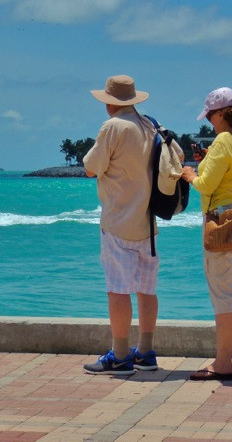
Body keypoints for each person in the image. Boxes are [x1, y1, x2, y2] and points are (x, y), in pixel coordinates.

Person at [82, 75, 183, 376]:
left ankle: (121, 355)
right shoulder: (150, 124)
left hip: (118, 220)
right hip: (148, 222)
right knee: (146, 290)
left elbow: (90, 167)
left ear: (110, 102)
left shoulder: (113, 126)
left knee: (118, 290)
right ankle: (146, 352)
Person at [181, 87, 232, 381]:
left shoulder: (222, 140)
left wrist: (190, 173)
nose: (209, 123)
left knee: (224, 294)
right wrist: (207, 160)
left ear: (220, 114)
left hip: (226, 219)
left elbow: (205, 185)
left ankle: (223, 363)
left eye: (211, 117)